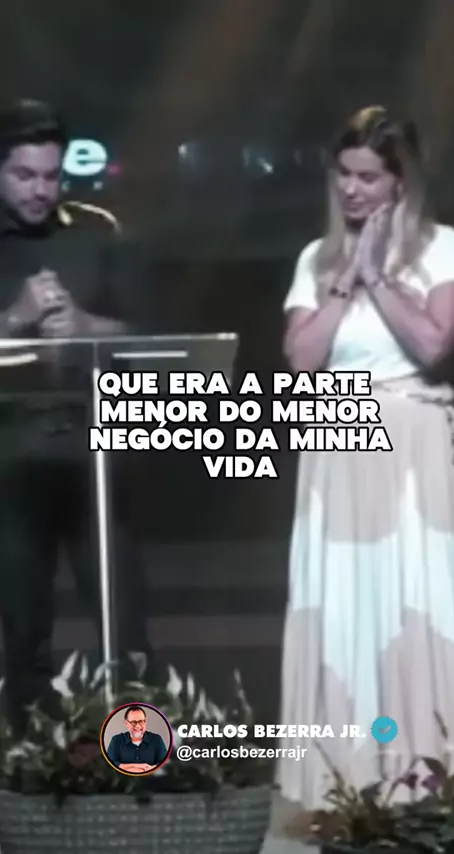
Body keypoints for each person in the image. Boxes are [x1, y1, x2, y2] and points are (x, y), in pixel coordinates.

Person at [278, 105, 454, 815]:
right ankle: (350, 774)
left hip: (415, 446)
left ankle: (431, 773)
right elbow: (302, 358)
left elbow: (433, 345)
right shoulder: (316, 258)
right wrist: (345, 279)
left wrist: (379, 276)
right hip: (339, 441)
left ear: (400, 182)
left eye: (369, 177)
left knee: (418, 598)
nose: (353, 189)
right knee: (345, 603)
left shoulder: (444, 249)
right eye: (345, 174)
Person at [0, 98, 152, 737]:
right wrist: (17, 319)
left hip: (95, 456)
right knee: (23, 635)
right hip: (12, 465)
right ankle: (29, 769)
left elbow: (149, 336)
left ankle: (142, 760)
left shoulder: (95, 231)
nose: (41, 190)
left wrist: (87, 325)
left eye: (51, 175)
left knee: (127, 628)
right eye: (24, 175)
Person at [106, 705, 168, 773]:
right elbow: (110, 764)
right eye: (133, 722)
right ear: (126, 723)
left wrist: (150, 769)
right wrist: (137, 766)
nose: (138, 726)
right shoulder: (116, 740)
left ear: (145, 722)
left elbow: (164, 764)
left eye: (141, 722)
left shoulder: (156, 740)